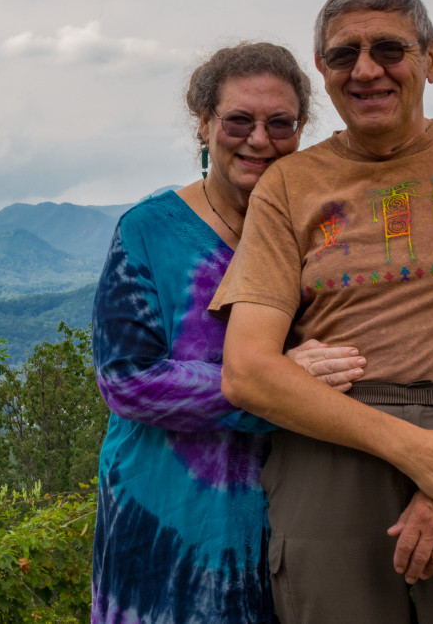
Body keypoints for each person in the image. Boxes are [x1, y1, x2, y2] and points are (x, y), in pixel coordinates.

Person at [91, 42, 366, 623]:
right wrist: (272, 383)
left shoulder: (319, 231)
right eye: (239, 120)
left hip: (288, 508)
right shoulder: (149, 230)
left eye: (280, 123)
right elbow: (127, 379)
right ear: (205, 123)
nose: (259, 139)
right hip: (166, 512)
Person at [217, 0, 433, 623]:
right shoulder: (290, 183)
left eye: (390, 50)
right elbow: (248, 370)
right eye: (345, 54)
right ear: (323, 68)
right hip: (329, 448)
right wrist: (413, 450)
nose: (367, 70)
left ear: (431, 57)